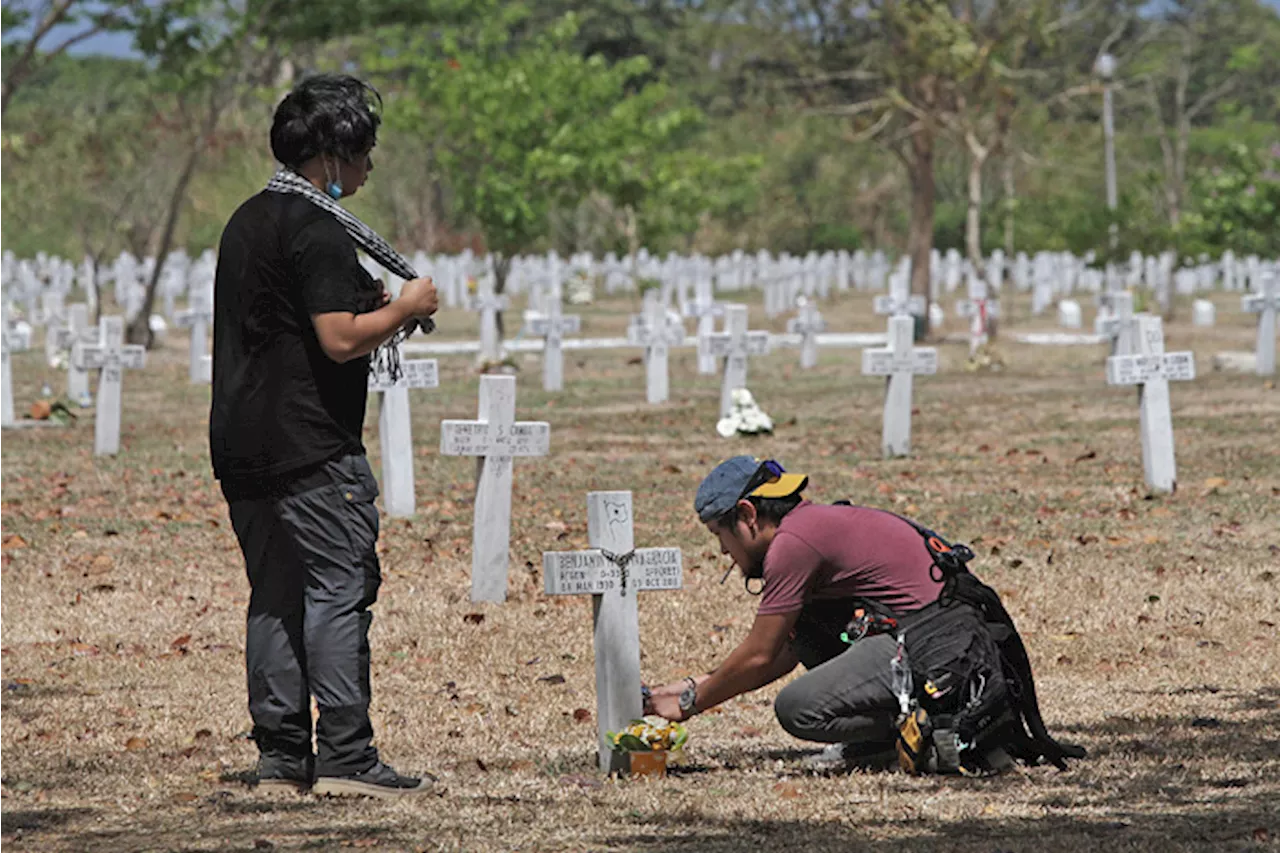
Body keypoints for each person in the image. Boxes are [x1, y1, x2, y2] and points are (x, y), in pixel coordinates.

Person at [210, 74, 439, 798]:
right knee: (338, 586)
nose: (370, 165)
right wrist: (405, 307)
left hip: (242, 442)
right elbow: (340, 340)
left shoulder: (246, 219)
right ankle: (345, 752)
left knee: (275, 592)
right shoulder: (318, 228)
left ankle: (281, 756)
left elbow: (286, 318)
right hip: (310, 445)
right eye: (364, 150)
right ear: (332, 156)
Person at [645, 456, 1082, 775]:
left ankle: (941, 733)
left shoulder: (793, 546)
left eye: (718, 535)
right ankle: (897, 738)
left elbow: (760, 655)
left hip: (940, 650)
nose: (722, 551)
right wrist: (693, 685)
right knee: (814, 629)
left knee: (798, 710)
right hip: (941, 637)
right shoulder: (810, 525)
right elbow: (785, 650)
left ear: (747, 515)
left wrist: (690, 703)